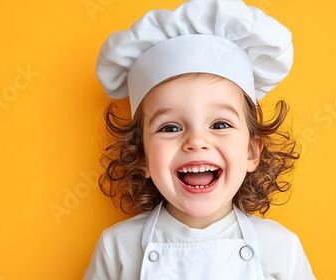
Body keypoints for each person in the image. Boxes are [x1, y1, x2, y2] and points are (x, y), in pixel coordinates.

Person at [84, 0, 315, 279]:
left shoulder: (281, 248)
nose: (196, 141)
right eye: (169, 128)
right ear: (142, 155)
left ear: (252, 152)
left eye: (219, 124)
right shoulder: (117, 247)